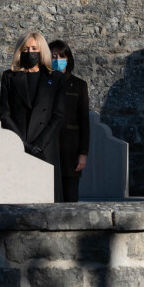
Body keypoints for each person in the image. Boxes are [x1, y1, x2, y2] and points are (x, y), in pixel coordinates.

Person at [0, 31, 66, 202]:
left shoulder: (55, 78)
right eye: (26, 48)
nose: (30, 52)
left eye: (34, 48)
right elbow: (5, 114)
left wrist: (38, 145)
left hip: (45, 147)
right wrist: (23, 144)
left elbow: (58, 116)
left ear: (42, 50)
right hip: (18, 146)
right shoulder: (10, 77)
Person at [49, 39, 90, 203]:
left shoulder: (79, 85)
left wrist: (83, 153)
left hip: (71, 150)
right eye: (53, 56)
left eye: (61, 56)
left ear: (68, 58)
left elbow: (84, 122)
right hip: (50, 147)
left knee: (70, 196)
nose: (57, 59)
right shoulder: (45, 83)